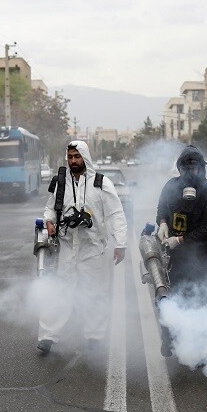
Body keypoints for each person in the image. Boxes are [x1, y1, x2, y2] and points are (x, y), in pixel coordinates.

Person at [37, 140, 127, 356]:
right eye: (70, 157)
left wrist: (121, 243)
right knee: (59, 292)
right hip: (67, 247)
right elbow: (49, 209)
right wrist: (49, 222)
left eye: (77, 157)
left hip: (93, 249)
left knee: (94, 293)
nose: (73, 161)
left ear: (84, 157)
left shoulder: (101, 184)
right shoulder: (60, 183)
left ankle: (94, 336)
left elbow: (116, 214)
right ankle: (48, 336)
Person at [155, 145, 207, 356]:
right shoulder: (171, 187)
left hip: (202, 259)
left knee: (201, 303)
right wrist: (162, 223)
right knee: (171, 300)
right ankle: (171, 341)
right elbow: (161, 208)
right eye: (187, 168)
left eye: (195, 168)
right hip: (175, 259)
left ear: (202, 169)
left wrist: (181, 239)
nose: (191, 173)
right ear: (180, 168)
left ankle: (201, 349)